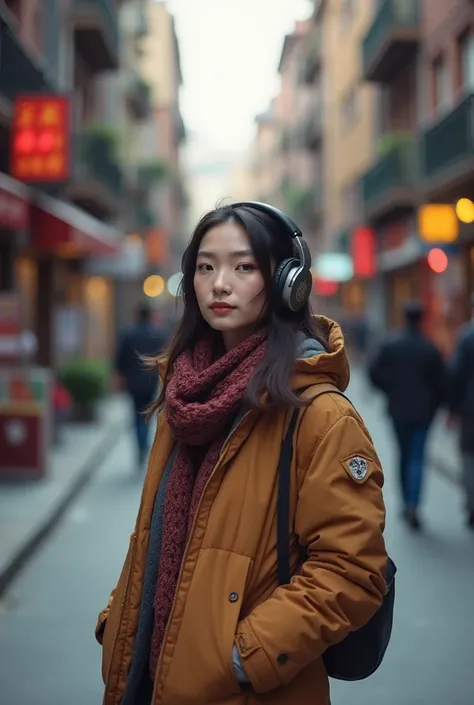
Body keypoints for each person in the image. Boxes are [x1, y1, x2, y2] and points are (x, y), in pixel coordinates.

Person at [97, 202, 388, 705]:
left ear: (286, 282)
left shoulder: (320, 416)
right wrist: (119, 618)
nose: (219, 284)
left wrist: (238, 659)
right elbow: (158, 535)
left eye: (244, 266)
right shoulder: (184, 398)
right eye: (205, 267)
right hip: (147, 678)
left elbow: (352, 570)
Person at [369, 301, 446, 530]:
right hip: (423, 412)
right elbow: (441, 383)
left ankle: (406, 502)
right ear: (421, 319)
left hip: (398, 410)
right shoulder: (429, 348)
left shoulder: (392, 345)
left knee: (403, 455)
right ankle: (413, 503)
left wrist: (389, 389)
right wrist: (438, 405)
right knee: (417, 457)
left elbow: (374, 373)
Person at [115, 303, 167, 467]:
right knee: (147, 414)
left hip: (133, 381)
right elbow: (164, 357)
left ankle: (140, 446)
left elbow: (120, 359)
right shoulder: (157, 335)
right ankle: (144, 445)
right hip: (151, 381)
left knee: (136, 414)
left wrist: (120, 376)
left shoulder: (128, 334)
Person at [448, 293, 474, 529]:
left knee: (468, 456)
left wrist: (452, 410)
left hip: (470, 408)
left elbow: (456, 375)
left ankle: (472, 502)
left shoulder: (467, 336)